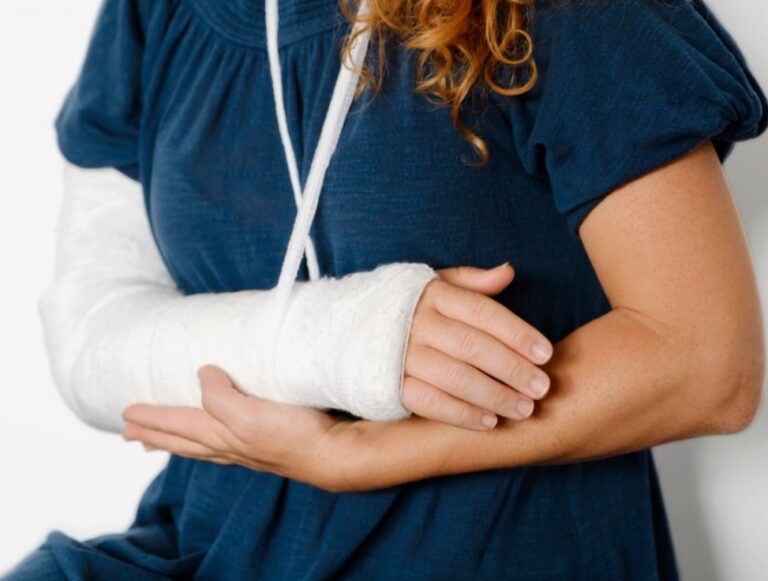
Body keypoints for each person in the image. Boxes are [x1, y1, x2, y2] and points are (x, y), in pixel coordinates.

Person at [5, 0, 766, 578]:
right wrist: (345, 337)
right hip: (209, 543)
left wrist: (359, 450)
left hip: (489, 549)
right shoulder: (154, 11)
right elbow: (89, 328)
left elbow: (706, 363)